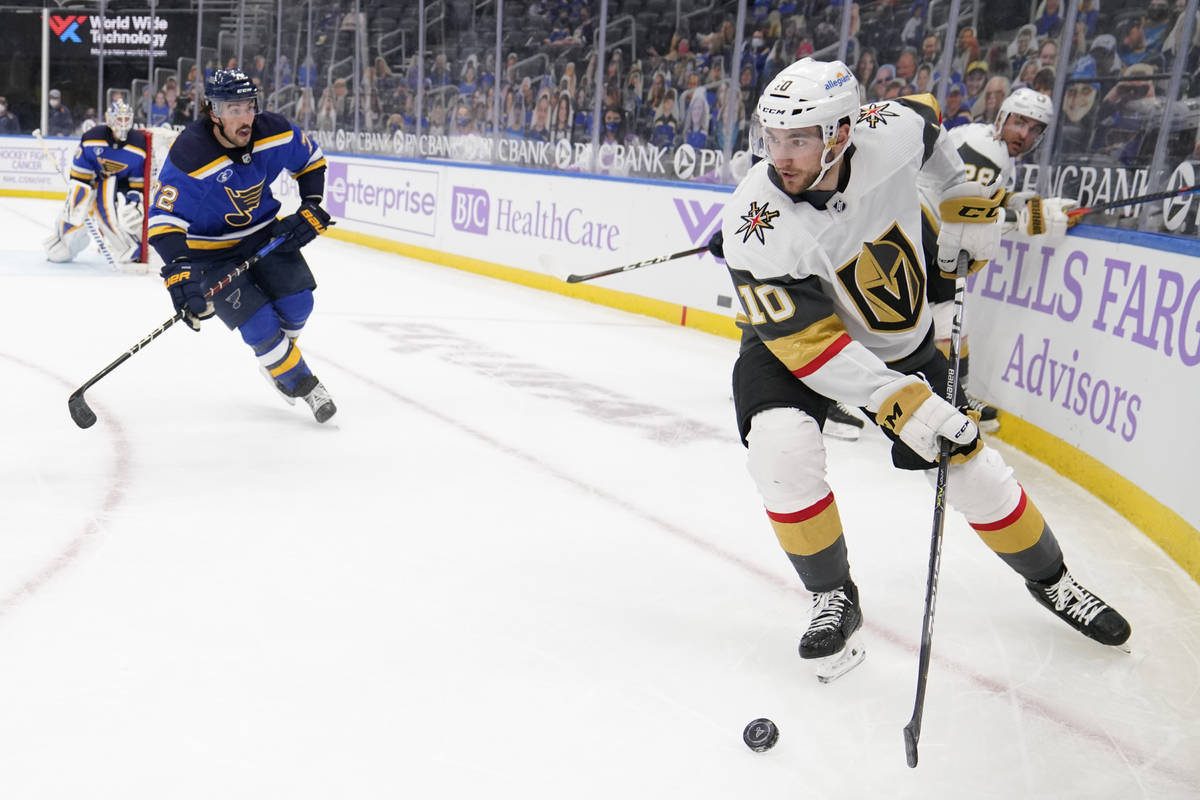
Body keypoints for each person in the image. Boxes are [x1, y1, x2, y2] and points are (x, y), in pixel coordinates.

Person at [710, 58, 1129, 682]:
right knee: (780, 449)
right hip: (795, 346)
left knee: (971, 464)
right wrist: (900, 402)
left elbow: (930, 121)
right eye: (771, 138)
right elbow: (812, 348)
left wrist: (959, 202)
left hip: (897, 339)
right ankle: (833, 596)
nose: (781, 156)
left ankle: (1052, 580)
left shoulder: (892, 129)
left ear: (841, 134)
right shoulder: (755, 225)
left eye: (797, 140)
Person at [146, 69, 336, 423]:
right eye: (233, 109)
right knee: (261, 326)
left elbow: (311, 161)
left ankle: (279, 362)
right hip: (210, 254)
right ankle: (303, 383)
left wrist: (310, 205)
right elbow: (163, 220)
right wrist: (178, 271)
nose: (244, 117)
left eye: (248, 106)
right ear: (213, 112)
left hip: (263, 235)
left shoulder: (273, 131)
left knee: (300, 303)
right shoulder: (192, 152)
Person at [924, 87, 1079, 432]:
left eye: (1034, 128)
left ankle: (956, 398)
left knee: (949, 319)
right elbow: (962, 209)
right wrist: (1023, 219)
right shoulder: (987, 148)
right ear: (1002, 118)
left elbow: (976, 196)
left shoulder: (986, 144)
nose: (1024, 134)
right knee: (943, 318)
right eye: (1019, 122)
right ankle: (955, 399)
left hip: (928, 237)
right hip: (923, 235)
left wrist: (1021, 203)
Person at [43, 99, 148, 265]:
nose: (122, 123)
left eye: (126, 118)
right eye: (118, 118)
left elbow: (137, 181)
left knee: (110, 215)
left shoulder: (138, 145)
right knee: (76, 210)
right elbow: (79, 174)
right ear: (109, 118)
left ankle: (128, 248)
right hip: (90, 178)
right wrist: (80, 195)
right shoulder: (92, 137)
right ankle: (64, 242)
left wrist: (134, 199)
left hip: (115, 182)